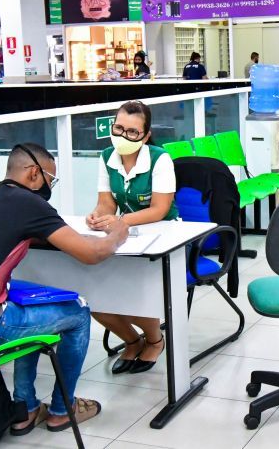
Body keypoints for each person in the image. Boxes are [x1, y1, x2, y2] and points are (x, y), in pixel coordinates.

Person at [0, 143, 130, 435]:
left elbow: (4, 232)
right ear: (34, 173)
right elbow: (91, 253)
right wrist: (118, 233)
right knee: (79, 312)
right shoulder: (28, 204)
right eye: (51, 179)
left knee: (28, 301)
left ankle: (26, 408)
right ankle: (62, 410)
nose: (50, 188)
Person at [87, 100, 178, 375]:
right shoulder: (106, 156)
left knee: (129, 289)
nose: (123, 136)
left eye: (132, 132)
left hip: (164, 236)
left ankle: (155, 340)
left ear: (146, 136)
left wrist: (120, 221)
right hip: (127, 236)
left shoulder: (160, 159)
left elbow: (160, 209)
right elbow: (106, 203)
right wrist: (98, 216)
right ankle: (132, 341)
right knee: (91, 294)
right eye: (118, 128)